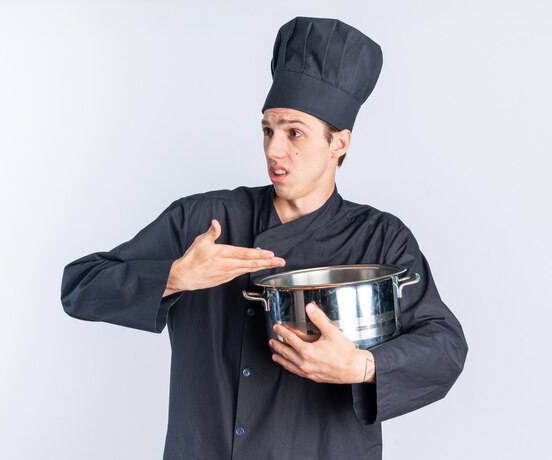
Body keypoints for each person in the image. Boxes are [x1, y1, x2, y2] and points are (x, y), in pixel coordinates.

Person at [61, 16, 468, 460]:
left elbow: (444, 348)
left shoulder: (380, 238)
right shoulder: (205, 219)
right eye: (268, 130)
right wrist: (175, 276)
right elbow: (80, 287)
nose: (274, 149)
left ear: (339, 143)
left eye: (295, 132)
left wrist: (361, 366)